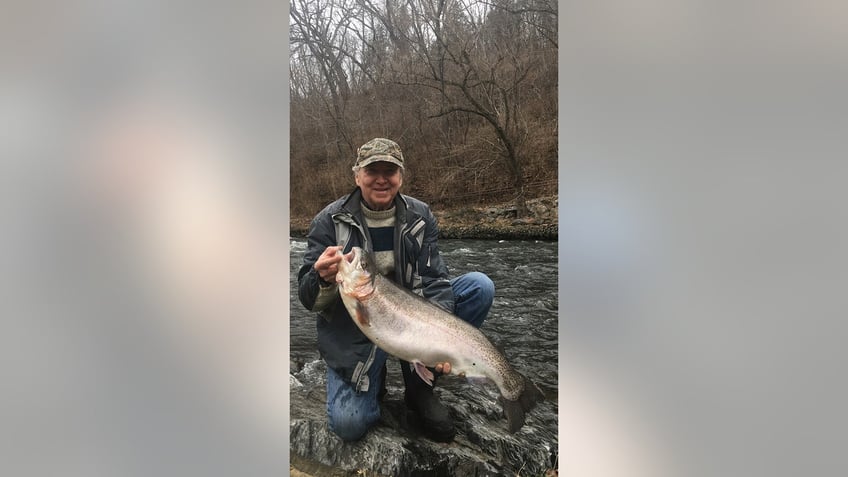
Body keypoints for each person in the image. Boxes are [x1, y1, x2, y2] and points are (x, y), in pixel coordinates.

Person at [297, 138, 495, 442]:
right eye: (371, 170)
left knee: (479, 286)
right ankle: (372, 380)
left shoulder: (420, 215)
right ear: (357, 176)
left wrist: (439, 343)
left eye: (389, 170)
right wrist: (321, 277)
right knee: (349, 425)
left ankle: (420, 386)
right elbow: (309, 300)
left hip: (413, 317)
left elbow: (435, 280)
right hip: (356, 330)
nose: (380, 178)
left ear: (400, 177)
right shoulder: (328, 221)